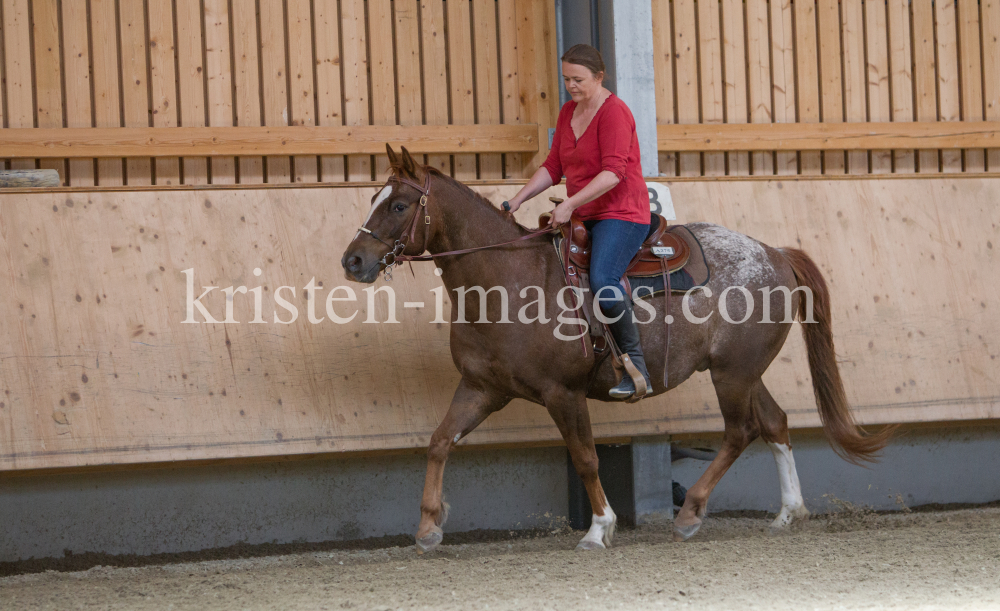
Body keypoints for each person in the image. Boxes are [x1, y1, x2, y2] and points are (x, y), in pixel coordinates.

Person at [504, 44, 652, 400]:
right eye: (566, 78)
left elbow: (614, 173)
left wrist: (569, 204)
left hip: (621, 213)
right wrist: (517, 199)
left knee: (603, 279)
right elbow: (554, 166)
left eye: (578, 79)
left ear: (599, 77)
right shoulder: (568, 111)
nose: (571, 85)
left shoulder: (615, 113)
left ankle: (636, 366)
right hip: (584, 212)